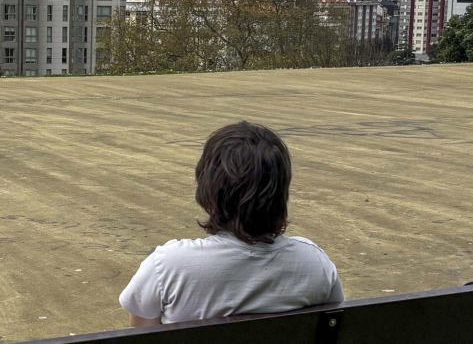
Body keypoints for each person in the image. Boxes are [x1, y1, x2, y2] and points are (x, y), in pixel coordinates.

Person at [119, 121, 343, 326]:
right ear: (281, 192)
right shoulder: (314, 262)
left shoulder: (168, 265)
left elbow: (142, 330)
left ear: (207, 188)